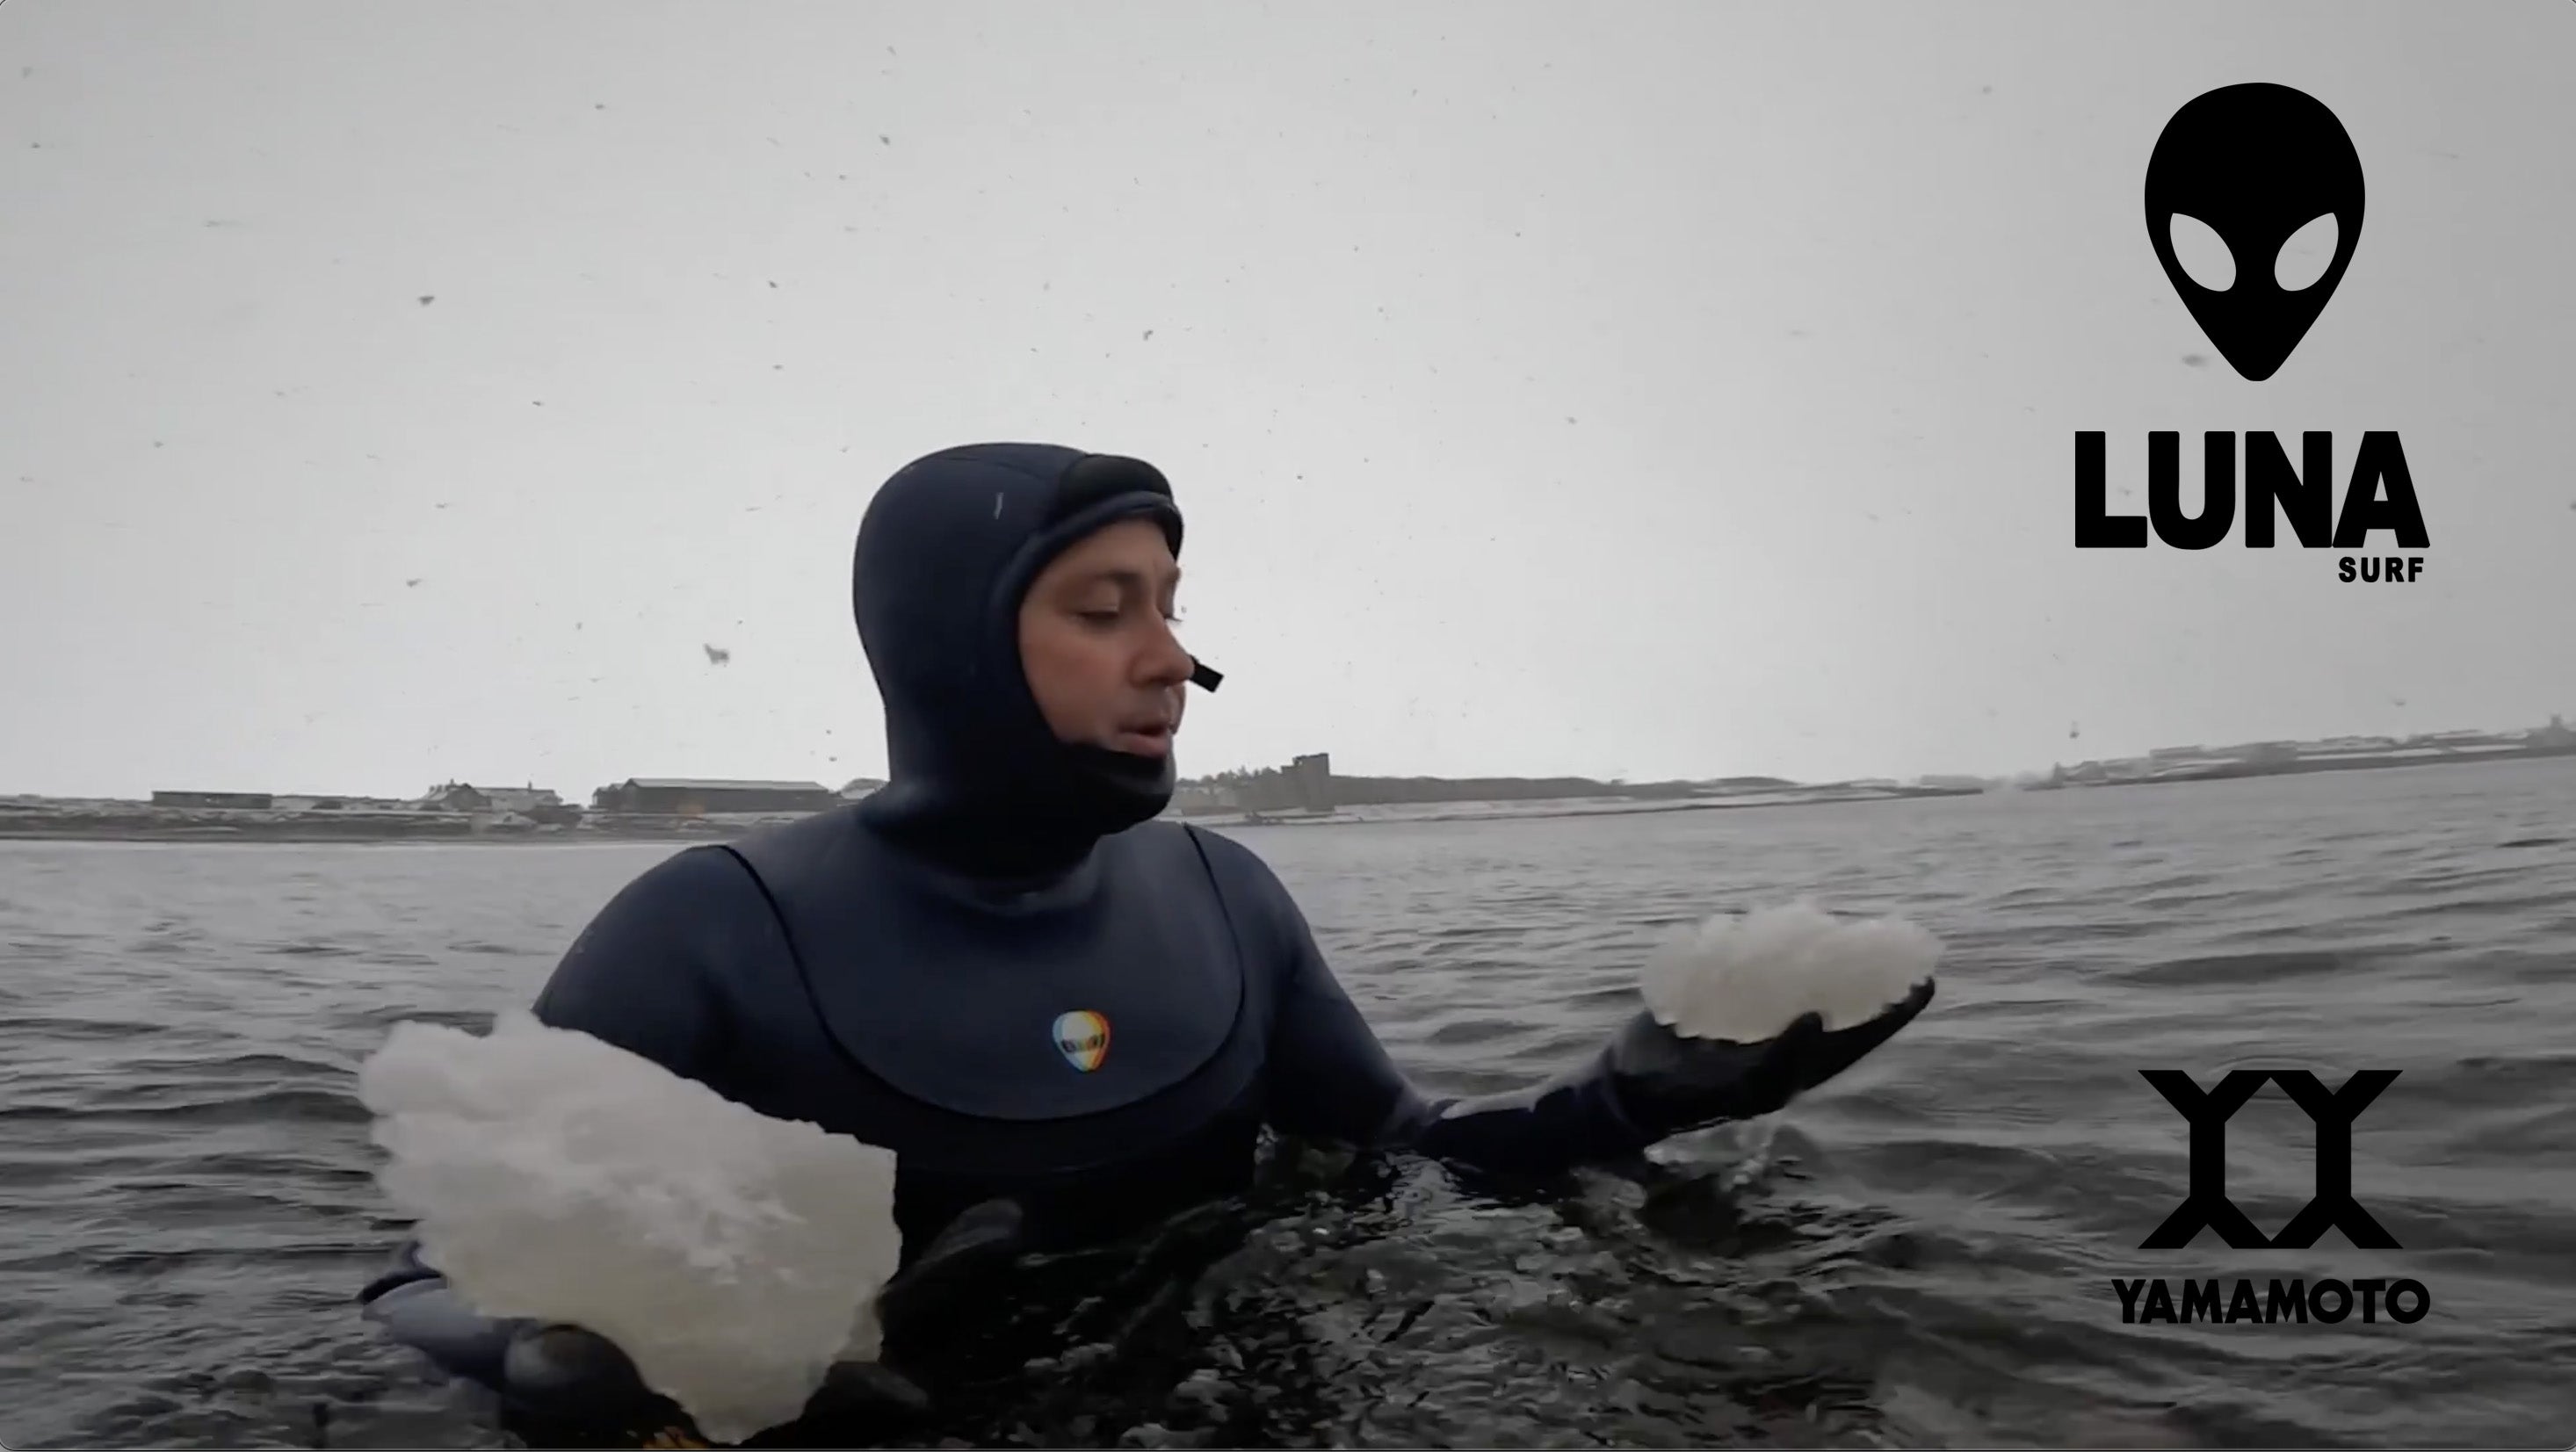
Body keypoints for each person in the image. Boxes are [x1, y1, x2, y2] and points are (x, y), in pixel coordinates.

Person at [358, 442, 1936, 1446]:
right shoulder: (712, 931)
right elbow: (426, 1281)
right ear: (953, 640)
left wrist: (1629, 1101)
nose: (1175, 660)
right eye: (1108, 606)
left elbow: (1399, 1157)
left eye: (1173, 603)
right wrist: (574, 1366)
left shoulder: (1224, 896)